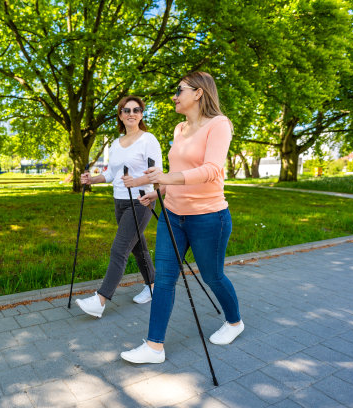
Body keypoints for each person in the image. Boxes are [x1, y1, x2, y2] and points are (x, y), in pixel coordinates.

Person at [120, 72, 243, 364]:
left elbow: (212, 169)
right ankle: (154, 347)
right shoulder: (179, 129)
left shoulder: (219, 125)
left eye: (180, 90)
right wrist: (158, 189)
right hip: (172, 215)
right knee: (164, 279)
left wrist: (167, 177)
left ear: (199, 93)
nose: (175, 96)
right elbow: (175, 172)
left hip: (208, 217)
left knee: (213, 276)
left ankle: (235, 323)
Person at [75, 96, 163, 318]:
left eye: (136, 109)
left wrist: (137, 182)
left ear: (142, 114)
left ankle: (101, 299)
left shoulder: (148, 139)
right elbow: (111, 174)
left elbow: (156, 174)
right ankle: (154, 286)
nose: (131, 113)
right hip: (120, 201)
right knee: (137, 247)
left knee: (119, 249)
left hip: (141, 200)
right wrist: (90, 180)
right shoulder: (115, 143)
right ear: (120, 115)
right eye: (126, 110)